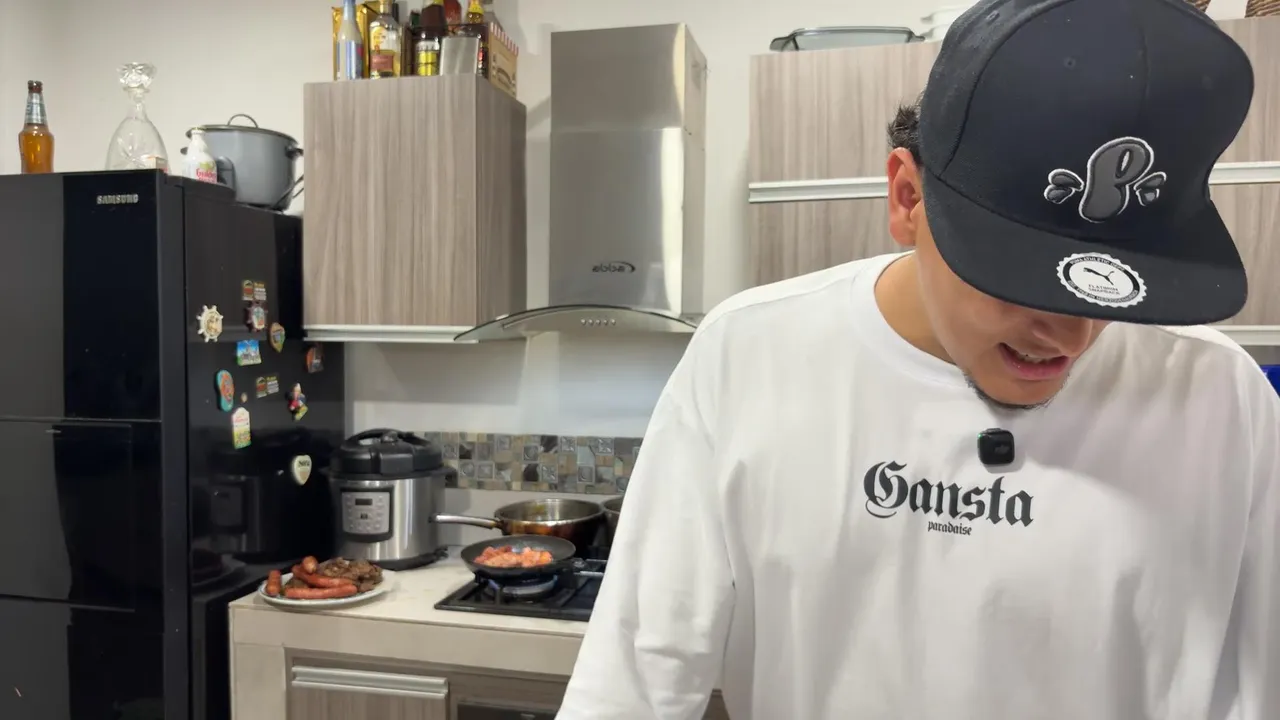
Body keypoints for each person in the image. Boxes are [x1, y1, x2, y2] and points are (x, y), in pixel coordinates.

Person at [556, 0, 1279, 718]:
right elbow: (633, 684)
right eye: (1017, 273)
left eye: (1115, 287)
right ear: (907, 197)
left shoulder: (1222, 401)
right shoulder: (749, 355)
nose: (1069, 336)